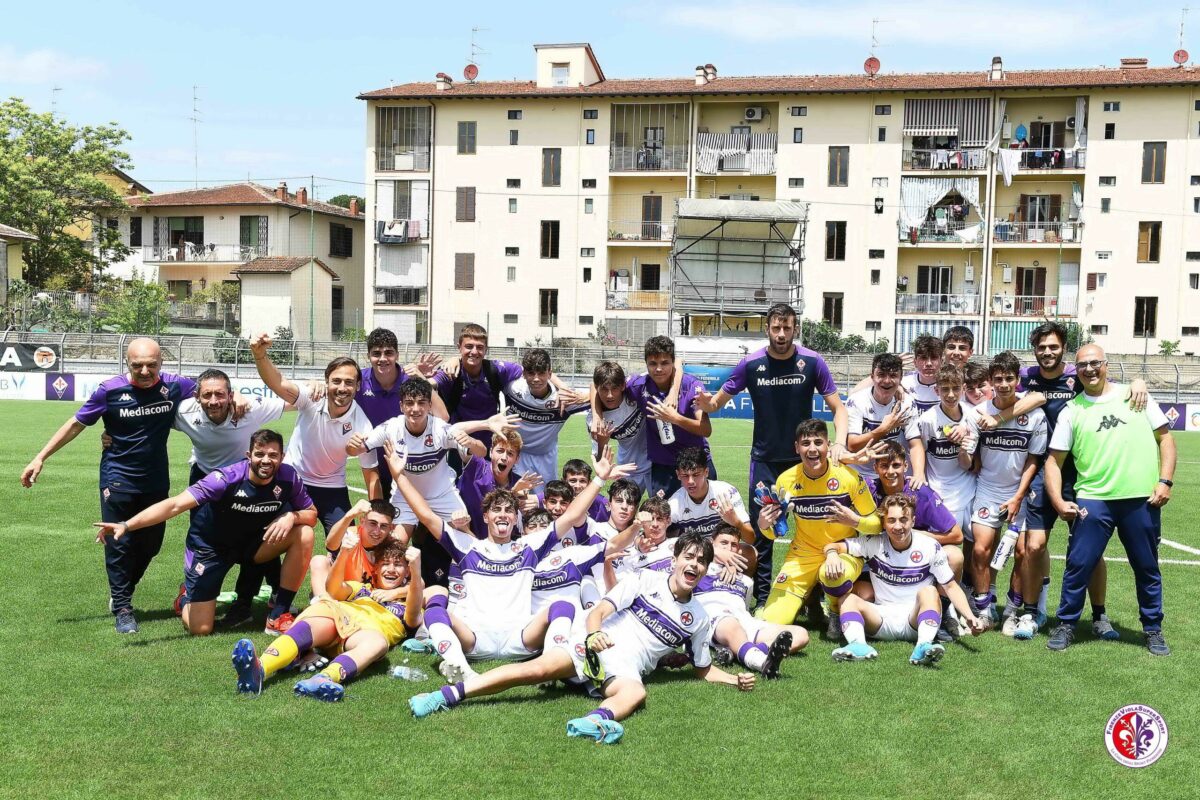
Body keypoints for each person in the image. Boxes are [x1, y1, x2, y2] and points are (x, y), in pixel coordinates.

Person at [407, 532, 756, 746]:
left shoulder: (699, 617)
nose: (694, 564)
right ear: (676, 560)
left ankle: (594, 722)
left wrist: (733, 679)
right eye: (689, 557)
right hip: (596, 647)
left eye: (701, 561)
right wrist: (594, 635)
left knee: (636, 692)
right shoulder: (644, 580)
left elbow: (702, 670)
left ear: (706, 570)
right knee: (534, 671)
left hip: (625, 670)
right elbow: (597, 612)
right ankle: (445, 695)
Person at [388, 440, 634, 682]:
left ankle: (549, 665)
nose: (503, 515)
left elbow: (571, 515)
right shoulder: (468, 547)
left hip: (520, 639)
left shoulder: (528, 547)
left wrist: (599, 479)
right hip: (476, 640)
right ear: (485, 517)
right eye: (497, 510)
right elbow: (427, 516)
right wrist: (399, 476)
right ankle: (460, 666)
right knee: (435, 612)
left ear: (515, 517)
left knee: (562, 606)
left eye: (509, 510)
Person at [22, 338, 198, 634]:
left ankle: (122, 592)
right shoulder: (110, 390)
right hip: (118, 478)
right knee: (119, 545)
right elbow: (76, 423)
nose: (144, 371)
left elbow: (211, 390)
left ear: (162, 363)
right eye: (137, 365)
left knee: (151, 544)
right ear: (126, 363)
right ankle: (123, 607)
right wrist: (40, 457)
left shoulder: (177, 385)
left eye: (151, 365)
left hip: (156, 478)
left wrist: (240, 399)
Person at [694, 303, 848, 606]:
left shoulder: (813, 362)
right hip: (764, 461)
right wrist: (705, 402)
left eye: (787, 328)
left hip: (807, 461)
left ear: (795, 329)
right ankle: (763, 599)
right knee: (764, 532)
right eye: (776, 328)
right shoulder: (750, 364)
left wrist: (839, 441)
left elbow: (838, 407)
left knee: (816, 529)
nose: (781, 334)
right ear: (767, 329)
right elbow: (716, 404)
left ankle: (815, 600)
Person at [92, 429, 316, 635]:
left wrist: (292, 516)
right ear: (249, 455)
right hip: (211, 547)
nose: (266, 460)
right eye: (260, 454)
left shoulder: (289, 477)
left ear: (282, 456)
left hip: (253, 545)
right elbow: (175, 505)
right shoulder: (225, 478)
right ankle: (186, 596)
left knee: (304, 533)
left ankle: (279, 614)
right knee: (200, 628)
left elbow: (311, 514)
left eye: (273, 455)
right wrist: (126, 524)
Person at [1013, 322, 1147, 641]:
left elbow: (1110, 388)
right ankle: (1031, 613)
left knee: (1090, 550)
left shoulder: (1078, 375)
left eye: (1054, 346)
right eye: (1042, 346)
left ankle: (1099, 616)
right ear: (1035, 349)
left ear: (1063, 349)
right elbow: (999, 395)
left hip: (1084, 473)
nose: (1048, 352)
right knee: (1034, 545)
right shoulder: (1025, 377)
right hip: (1043, 472)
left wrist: (1138, 380)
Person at [1045, 344, 1175, 656]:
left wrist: (1165, 480)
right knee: (1079, 565)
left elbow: (1165, 438)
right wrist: (1058, 501)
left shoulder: (1136, 396)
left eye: (1095, 363)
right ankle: (1066, 624)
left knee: (1146, 567)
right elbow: (1053, 461)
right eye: (1082, 365)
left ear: (1106, 365)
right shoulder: (1072, 411)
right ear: (1076, 371)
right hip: (1094, 499)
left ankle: (1153, 629)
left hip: (1140, 499)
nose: (1089, 370)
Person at [231, 539, 423, 701]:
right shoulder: (362, 589)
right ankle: (260, 669)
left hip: (363, 636)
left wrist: (416, 571)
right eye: (385, 564)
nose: (391, 569)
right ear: (375, 569)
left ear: (407, 572)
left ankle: (323, 678)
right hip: (338, 621)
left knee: (378, 643)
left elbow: (414, 616)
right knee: (324, 610)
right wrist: (344, 553)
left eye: (398, 565)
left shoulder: (409, 602)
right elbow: (333, 588)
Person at [249, 332, 379, 546]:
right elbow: (278, 383)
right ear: (326, 382)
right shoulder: (312, 397)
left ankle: (340, 579)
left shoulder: (363, 426)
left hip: (332, 487)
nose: (342, 387)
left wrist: (375, 513)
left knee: (349, 543)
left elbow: (371, 475)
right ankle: (272, 579)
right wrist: (260, 355)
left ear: (358, 386)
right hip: (293, 479)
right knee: (267, 535)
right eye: (336, 381)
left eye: (349, 382)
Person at [823, 494, 984, 665]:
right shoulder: (873, 543)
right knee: (847, 599)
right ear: (883, 523)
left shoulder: (929, 546)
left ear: (913, 521)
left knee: (929, 592)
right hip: (880, 619)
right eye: (891, 520)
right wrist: (832, 554)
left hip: (915, 619)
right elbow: (833, 545)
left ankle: (923, 646)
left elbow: (950, 586)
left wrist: (969, 617)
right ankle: (858, 646)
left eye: (903, 520)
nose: (898, 526)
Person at [757, 419, 881, 637]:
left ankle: (834, 612)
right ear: (797, 448)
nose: (812, 449)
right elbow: (776, 530)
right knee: (772, 620)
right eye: (805, 443)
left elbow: (876, 525)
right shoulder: (786, 480)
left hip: (842, 551)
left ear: (828, 445)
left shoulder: (849, 477)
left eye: (818, 442)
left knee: (832, 573)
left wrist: (855, 521)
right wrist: (764, 525)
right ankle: (809, 602)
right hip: (802, 555)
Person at [967, 352, 1047, 630]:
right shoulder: (979, 413)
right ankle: (984, 608)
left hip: (1019, 494)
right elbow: (970, 453)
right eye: (998, 379)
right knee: (980, 550)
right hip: (987, 491)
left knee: (1023, 553)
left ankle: (1012, 610)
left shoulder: (1034, 416)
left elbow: (1033, 460)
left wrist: (1017, 496)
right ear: (990, 381)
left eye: (1009, 379)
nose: (1003, 384)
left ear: (1017, 381)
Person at [697, 525, 807, 677]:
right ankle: (762, 663)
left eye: (734, 545)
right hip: (715, 618)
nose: (729, 548)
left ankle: (738, 652)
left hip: (743, 619)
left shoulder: (745, 580)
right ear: (711, 543)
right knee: (730, 625)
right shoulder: (700, 568)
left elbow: (745, 608)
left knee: (800, 634)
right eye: (723, 543)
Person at [354, 327, 447, 499]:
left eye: (388, 353)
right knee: (380, 511)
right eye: (376, 353)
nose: (382, 359)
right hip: (374, 456)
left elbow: (443, 416)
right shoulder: (359, 381)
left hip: (409, 457)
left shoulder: (410, 379)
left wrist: (422, 379)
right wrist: (318, 385)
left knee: (415, 513)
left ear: (397, 355)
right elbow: (336, 389)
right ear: (369, 356)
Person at [502, 348, 589, 481]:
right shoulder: (512, 389)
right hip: (517, 454)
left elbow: (601, 394)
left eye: (541, 373)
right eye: (531, 373)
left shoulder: (565, 400)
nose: (536, 379)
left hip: (546, 457)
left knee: (546, 498)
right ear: (524, 374)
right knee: (516, 497)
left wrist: (578, 395)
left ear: (549, 374)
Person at [310, 498, 407, 605]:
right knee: (319, 561)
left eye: (383, 526)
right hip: (342, 590)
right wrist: (349, 515)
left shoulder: (392, 544)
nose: (377, 531)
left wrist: (396, 593)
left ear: (391, 528)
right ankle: (323, 606)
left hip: (371, 598)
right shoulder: (350, 536)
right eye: (373, 523)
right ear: (362, 521)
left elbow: (418, 582)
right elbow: (330, 544)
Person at [846, 352, 922, 484]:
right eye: (881, 375)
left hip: (890, 473)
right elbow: (852, 445)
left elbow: (915, 444)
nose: (887, 381)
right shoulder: (857, 401)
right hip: (859, 474)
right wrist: (883, 429)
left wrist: (919, 474)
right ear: (872, 377)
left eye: (893, 376)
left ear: (900, 378)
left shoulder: (906, 403)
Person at [457, 430, 540, 539]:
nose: (504, 457)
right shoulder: (476, 466)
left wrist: (529, 503)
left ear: (517, 459)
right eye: (500, 451)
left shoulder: (519, 483)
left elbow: (515, 521)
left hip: (500, 546)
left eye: (510, 453)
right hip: (466, 540)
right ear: (491, 452)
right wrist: (513, 492)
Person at [588, 361, 652, 491]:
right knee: (624, 509)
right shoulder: (594, 421)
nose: (609, 395)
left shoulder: (634, 392)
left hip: (656, 463)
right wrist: (602, 442)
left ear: (623, 386)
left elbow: (663, 370)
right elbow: (600, 462)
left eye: (614, 389)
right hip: (627, 467)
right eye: (604, 389)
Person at [901, 334, 943, 414]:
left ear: (941, 362)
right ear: (915, 362)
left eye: (934, 358)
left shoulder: (949, 386)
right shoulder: (903, 384)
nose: (929, 363)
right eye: (923, 358)